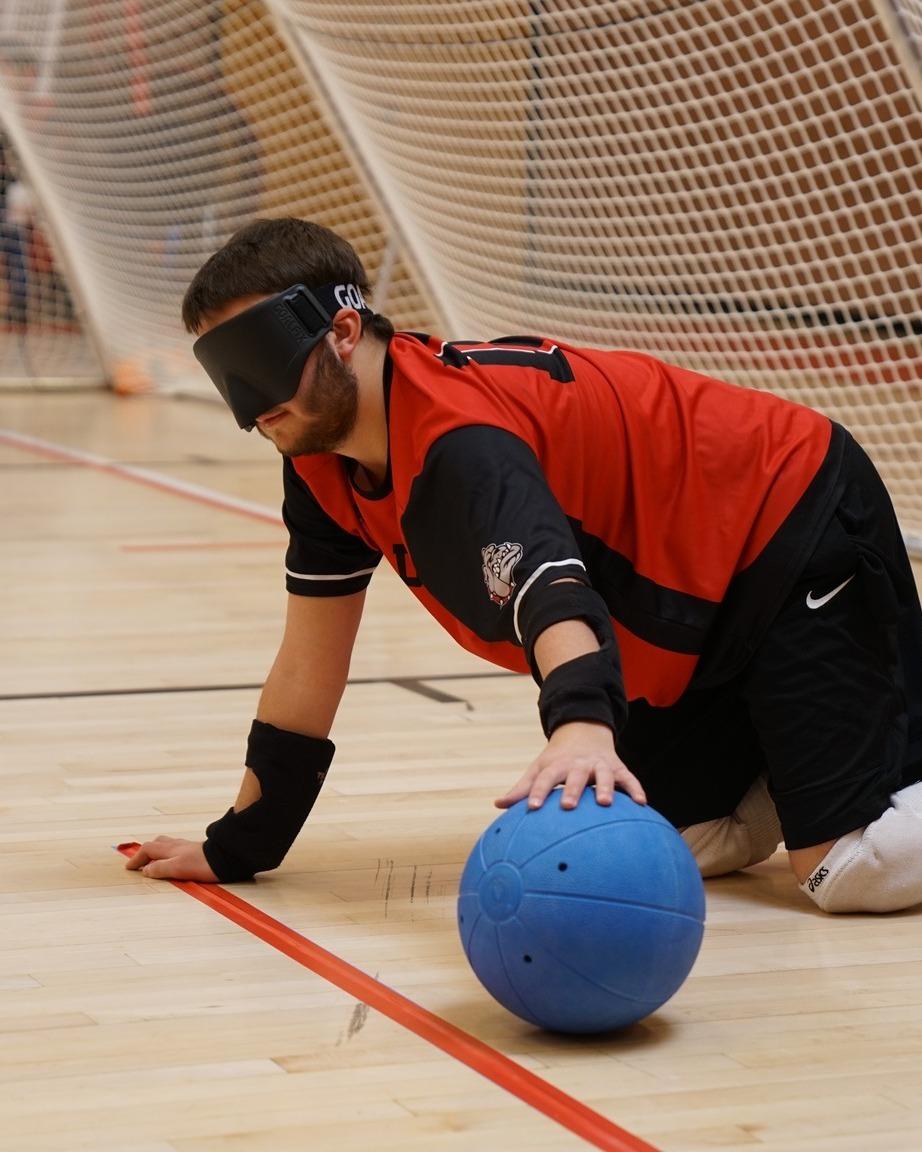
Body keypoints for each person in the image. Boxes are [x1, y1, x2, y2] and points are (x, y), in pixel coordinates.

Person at [127, 217, 922, 914]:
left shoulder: (461, 440)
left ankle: (830, 772)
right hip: (698, 613)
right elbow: (308, 662)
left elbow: (551, 588)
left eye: (258, 359)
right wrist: (239, 846)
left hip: (789, 526)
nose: (250, 402)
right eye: (223, 373)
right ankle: (794, 750)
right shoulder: (323, 467)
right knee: (647, 841)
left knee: (844, 871)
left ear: (341, 331)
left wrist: (580, 728)